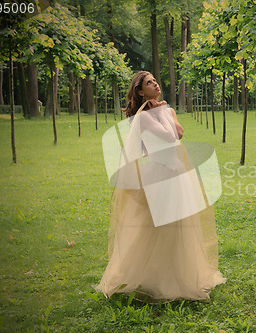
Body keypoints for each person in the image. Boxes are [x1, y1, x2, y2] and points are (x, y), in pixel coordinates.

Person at [96, 71, 226, 303]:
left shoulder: (166, 110)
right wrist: (160, 111)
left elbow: (178, 133)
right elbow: (167, 135)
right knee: (157, 229)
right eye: (149, 83)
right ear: (139, 91)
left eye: (155, 81)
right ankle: (154, 278)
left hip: (177, 173)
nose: (155, 84)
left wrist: (165, 111)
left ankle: (179, 275)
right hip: (159, 174)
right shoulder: (143, 117)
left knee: (180, 228)